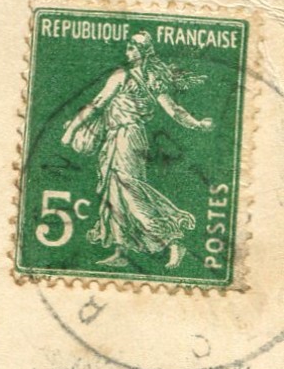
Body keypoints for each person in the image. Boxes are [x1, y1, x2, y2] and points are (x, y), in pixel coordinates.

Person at [61, 31, 213, 271]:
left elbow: (97, 103)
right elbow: (174, 111)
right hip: (126, 137)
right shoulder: (153, 80)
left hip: (125, 137)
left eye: (132, 47)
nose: (127, 51)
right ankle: (121, 251)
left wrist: (71, 129)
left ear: (143, 52)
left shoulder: (122, 76)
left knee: (129, 192)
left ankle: (172, 241)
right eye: (128, 46)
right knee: (116, 194)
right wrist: (197, 123)